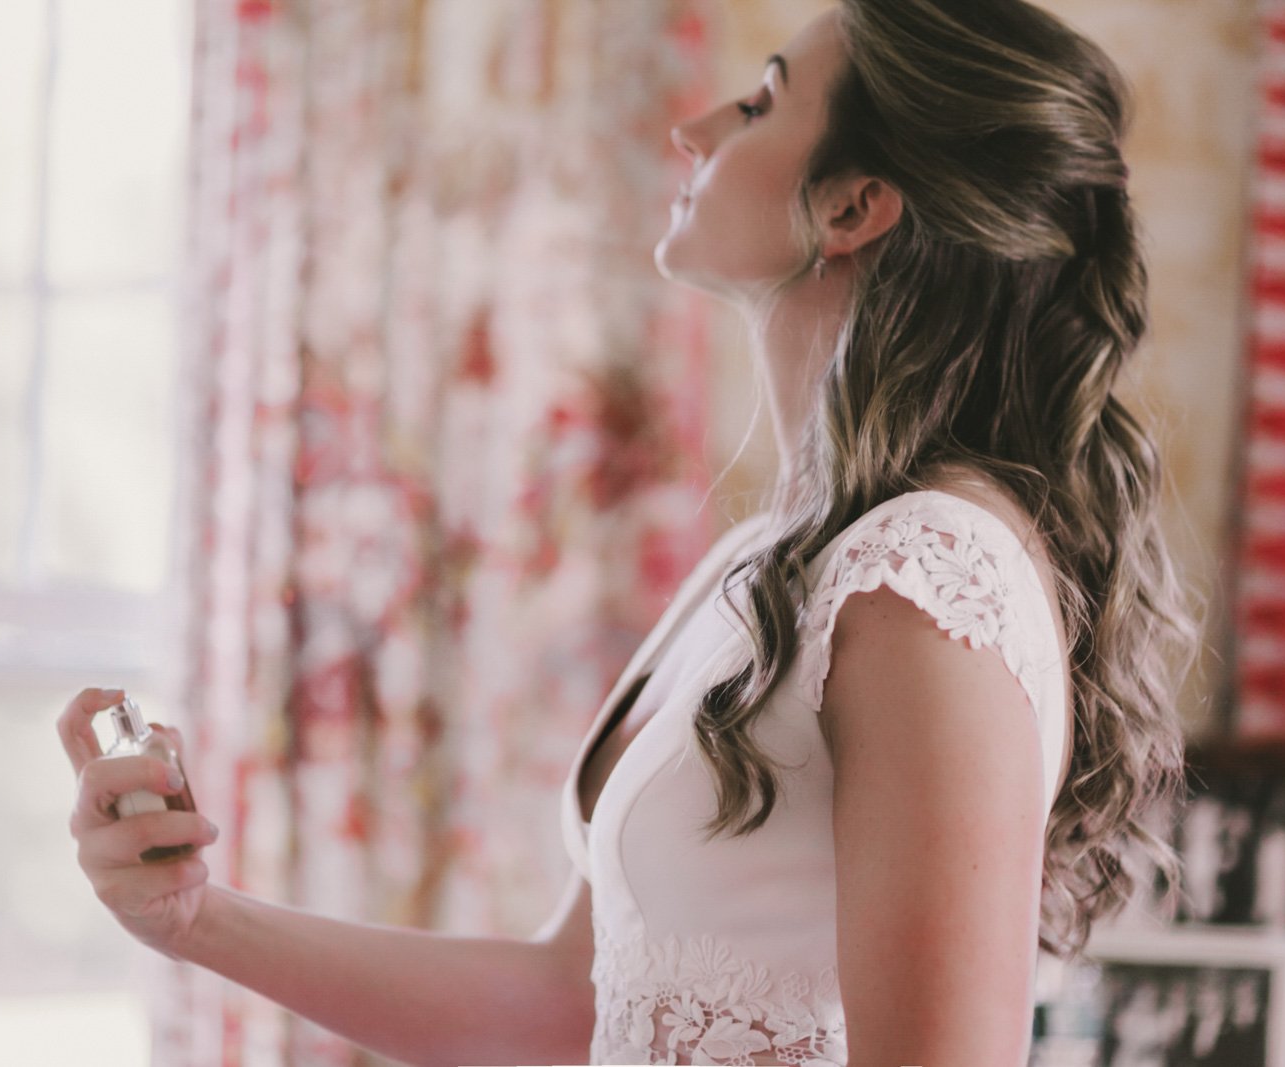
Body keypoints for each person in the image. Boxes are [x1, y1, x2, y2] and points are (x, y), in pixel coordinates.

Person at [58, 1, 1198, 1063]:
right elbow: (568, 1002)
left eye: (757, 104)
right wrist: (194, 918)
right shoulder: (771, 563)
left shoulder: (925, 580)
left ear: (854, 205)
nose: (691, 128)